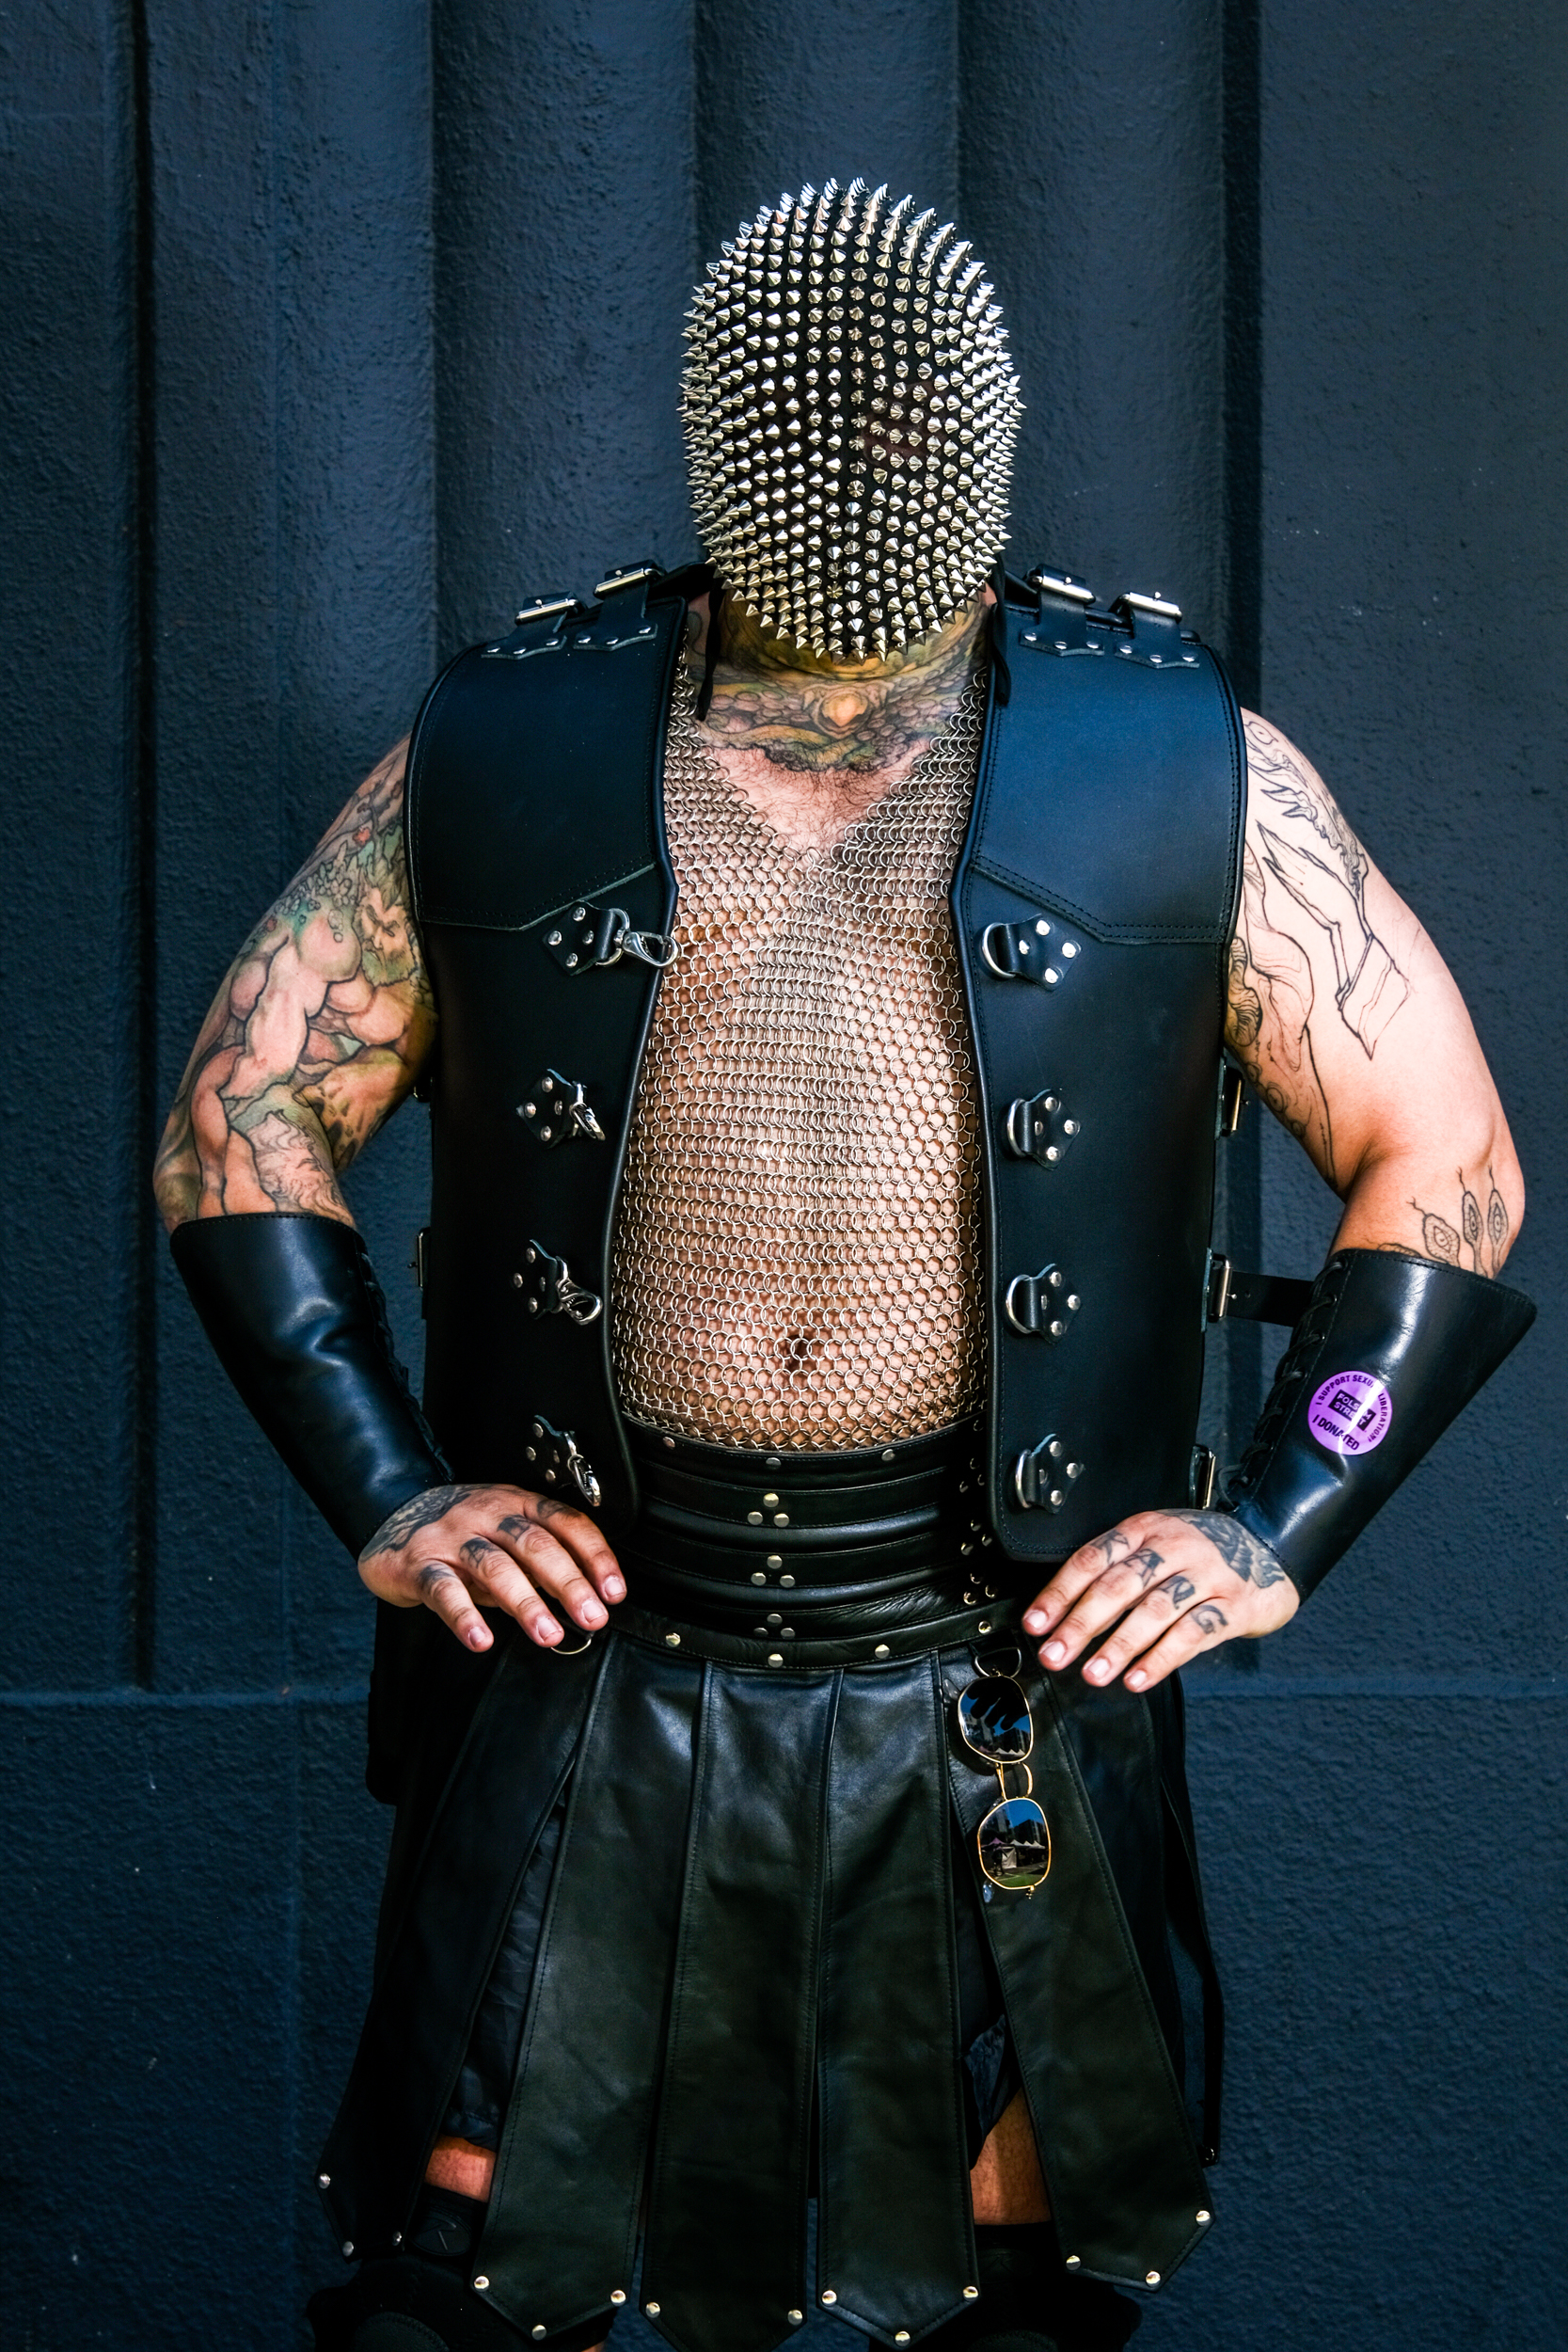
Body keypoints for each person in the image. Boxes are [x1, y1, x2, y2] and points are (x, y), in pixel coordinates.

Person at [156, 182, 1532, 2352]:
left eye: (906, 437)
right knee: (465, 2251)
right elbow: (240, 1114)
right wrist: (392, 1489)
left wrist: (1283, 1514)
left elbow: (1442, 1155)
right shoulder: (511, 741)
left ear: (975, 435)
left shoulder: (1178, 759)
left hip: (999, 1661)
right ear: (732, 434)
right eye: (833, 431)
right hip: (596, 1640)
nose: (867, 472)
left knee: (1026, 2247)